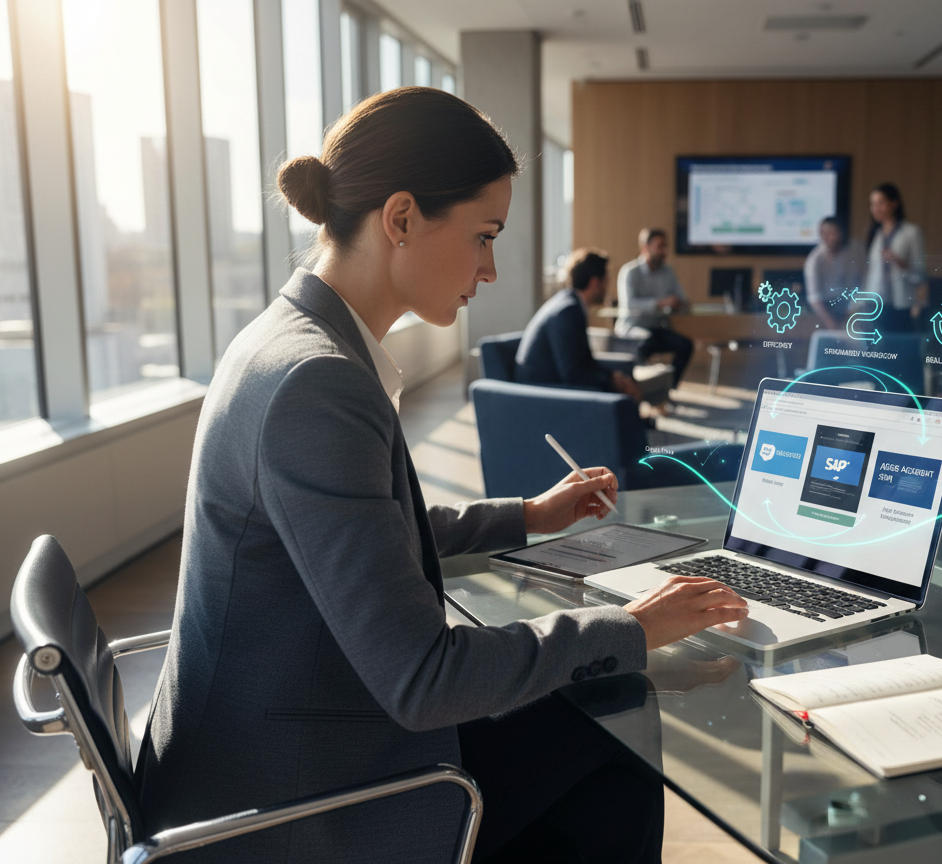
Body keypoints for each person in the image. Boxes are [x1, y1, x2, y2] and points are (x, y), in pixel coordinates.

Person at [133, 88, 748, 864]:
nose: (490, 269)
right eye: (483, 236)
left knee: (596, 708)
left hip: (274, 731)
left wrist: (528, 515)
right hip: (291, 794)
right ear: (400, 219)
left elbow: (365, 536)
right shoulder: (317, 384)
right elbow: (424, 678)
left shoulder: (290, 340)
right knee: (612, 723)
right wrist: (632, 628)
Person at [515, 247, 645, 400]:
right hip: (541, 392)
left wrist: (613, 376)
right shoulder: (567, 312)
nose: (607, 287)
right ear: (595, 282)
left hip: (552, 382)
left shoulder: (570, 303)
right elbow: (573, 373)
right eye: (606, 281)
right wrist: (612, 381)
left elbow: (583, 362)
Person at [615, 227, 694, 386]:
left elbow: (683, 298)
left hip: (658, 327)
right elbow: (629, 304)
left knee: (686, 345)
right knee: (645, 343)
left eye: (666, 246)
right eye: (660, 246)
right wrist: (660, 303)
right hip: (633, 328)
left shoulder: (668, 271)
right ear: (645, 247)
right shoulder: (630, 272)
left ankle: (666, 389)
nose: (664, 251)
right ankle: (638, 389)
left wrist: (679, 302)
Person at [863, 182, 927, 332]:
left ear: (894, 204)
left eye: (881, 203)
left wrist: (899, 262)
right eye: (873, 204)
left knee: (897, 349)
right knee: (874, 350)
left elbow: (920, 274)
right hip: (875, 303)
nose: (876, 209)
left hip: (901, 303)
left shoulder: (911, 232)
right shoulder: (873, 233)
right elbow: (869, 272)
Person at [803, 216, 862, 331]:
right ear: (821, 235)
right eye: (827, 233)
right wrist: (832, 325)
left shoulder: (856, 249)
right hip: (826, 309)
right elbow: (814, 298)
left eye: (835, 232)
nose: (832, 237)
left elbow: (865, 279)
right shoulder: (815, 260)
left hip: (856, 306)